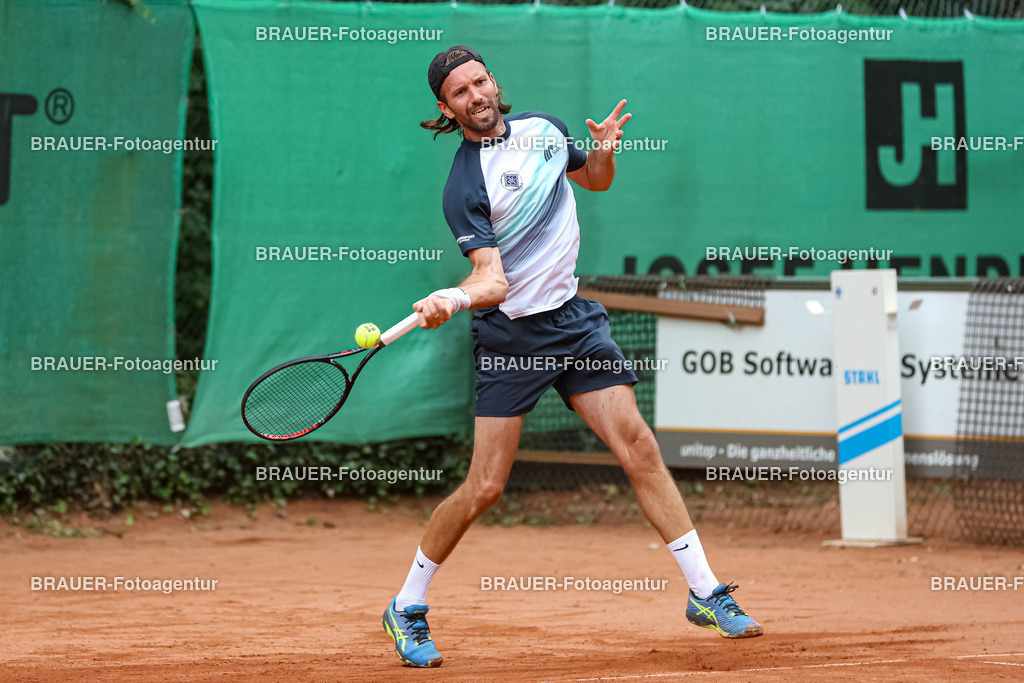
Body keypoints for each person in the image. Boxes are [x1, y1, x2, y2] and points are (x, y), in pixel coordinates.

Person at [382, 45, 763, 669]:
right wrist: (453, 297)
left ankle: (705, 592)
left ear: (493, 82)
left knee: (639, 447)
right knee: (485, 486)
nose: (475, 96)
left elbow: (595, 179)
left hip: (574, 322)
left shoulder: (544, 129)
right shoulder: (464, 184)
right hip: (511, 338)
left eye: (480, 82)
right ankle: (407, 605)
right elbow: (493, 282)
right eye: (459, 92)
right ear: (446, 109)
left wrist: (606, 149)